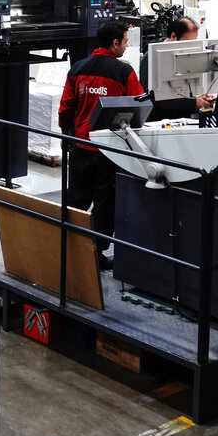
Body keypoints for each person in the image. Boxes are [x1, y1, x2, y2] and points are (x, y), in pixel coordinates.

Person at [58, 19, 144, 270]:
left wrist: (67, 135)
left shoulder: (78, 68)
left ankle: (67, 245)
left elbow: (66, 108)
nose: (126, 47)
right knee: (105, 203)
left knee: (77, 199)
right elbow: (138, 106)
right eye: (125, 42)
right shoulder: (124, 72)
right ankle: (96, 253)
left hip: (81, 145)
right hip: (110, 150)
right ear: (115, 43)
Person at [138, 16, 215, 118]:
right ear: (173, 36)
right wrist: (193, 102)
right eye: (187, 42)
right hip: (162, 118)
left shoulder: (185, 55)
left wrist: (201, 96)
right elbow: (153, 97)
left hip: (185, 117)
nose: (190, 46)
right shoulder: (151, 57)